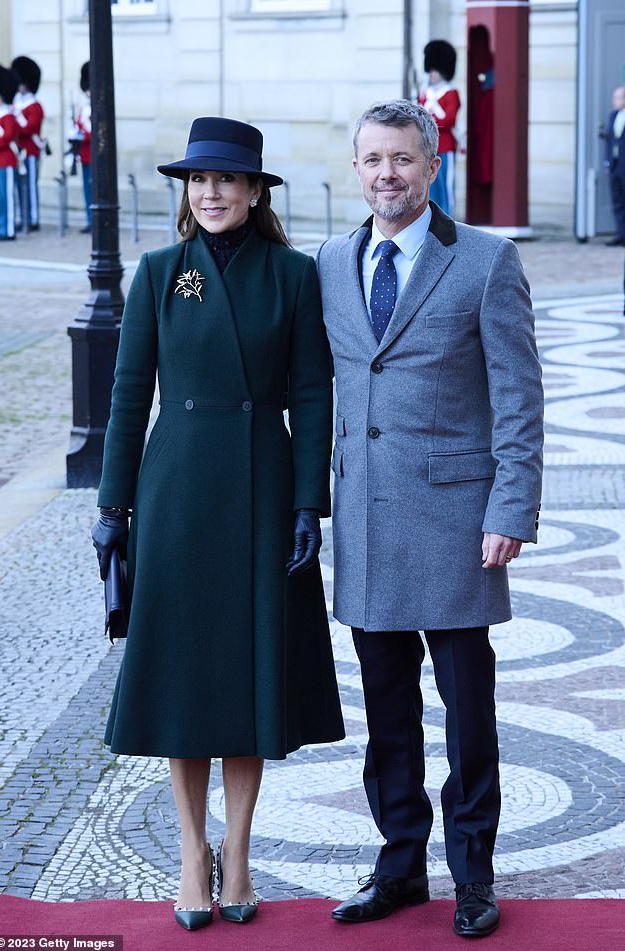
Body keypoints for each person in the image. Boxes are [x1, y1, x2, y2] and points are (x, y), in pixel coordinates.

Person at [91, 116, 344, 931]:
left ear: (255, 191)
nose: (211, 194)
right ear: (186, 191)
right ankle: (190, 852)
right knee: (185, 680)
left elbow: (312, 394)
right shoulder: (159, 273)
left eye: (227, 181)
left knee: (247, 676)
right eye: (199, 181)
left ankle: (237, 853)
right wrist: (110, 506)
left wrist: (310, 502)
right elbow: (129, 398)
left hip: (263, 490)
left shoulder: (294, 275)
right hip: (177, 494)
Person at [316, 100, 543, 939]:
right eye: (373, 159)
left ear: (432, 163)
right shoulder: (332, 262)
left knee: (466, 711)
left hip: (458, 526)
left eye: (403, 160)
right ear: (356, 167)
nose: (388, 175)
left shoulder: (486, 262)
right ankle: (401, 863)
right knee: (385, 714)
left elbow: (519, 398)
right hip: (368, 525)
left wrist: (511, 506)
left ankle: (474, 873)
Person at [419, 40, 460, 217]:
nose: (432, 75)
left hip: (446, 147)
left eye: (435, 71)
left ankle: (448, 219)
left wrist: (433, 107)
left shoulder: (451, 93)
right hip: (429, 148)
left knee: (446, 187)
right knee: (430, 187)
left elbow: (448, 120)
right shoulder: (425, 93)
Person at [12, 55, 45, 232]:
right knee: (19, 186)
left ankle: (33, 218)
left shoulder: (35, 106)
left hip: (30, 150)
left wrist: (15, 119)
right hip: (18, 151)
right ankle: (22, 216)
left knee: (30, 185)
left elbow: (28, 128)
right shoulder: (17, 103)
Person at [0, 65, 18, 241]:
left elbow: (7, 137)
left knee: (6, 196)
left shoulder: (8, 115)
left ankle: (8, 229)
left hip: (6, 160)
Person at [604, 84, 625, 247]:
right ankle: (620, 233)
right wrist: (607, 162)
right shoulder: (613, 116)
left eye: (617, 97)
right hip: (615, 166)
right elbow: (609, 142)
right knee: (617, 201)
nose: (615, 101)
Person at [75, 61, 92, 233]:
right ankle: (90, 219)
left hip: (95, 154)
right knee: (87, 188)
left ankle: (95, 220)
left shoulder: (97, 108)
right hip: (85, 154)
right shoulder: (84, 108)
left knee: (94, 188)